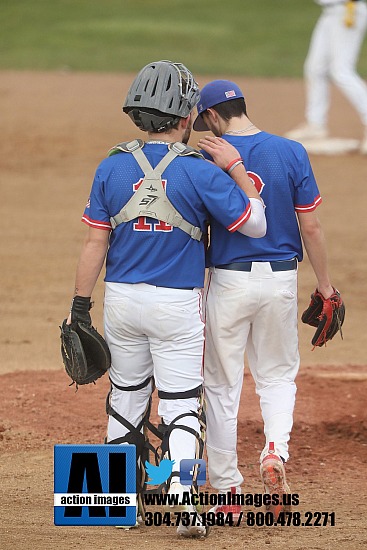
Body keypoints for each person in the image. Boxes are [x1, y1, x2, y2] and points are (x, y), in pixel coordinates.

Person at [65, 62, 266, 537]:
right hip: (176, 306)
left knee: (126, 397)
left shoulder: (111, 165)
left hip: (120, 303)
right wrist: (235, 171)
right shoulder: (200, 171)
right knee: (180, 405)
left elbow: (95, 243)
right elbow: (254, 223)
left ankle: (111, 505)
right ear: (183, 118)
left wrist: (79, 306)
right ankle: (187, 507)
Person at [194, 79, 339, 519]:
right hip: (279, 281)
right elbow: (310, 227)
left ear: (214, 117)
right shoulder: (292, 151)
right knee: (277, 377)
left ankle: (226, 492)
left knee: (221, 385)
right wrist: (326, 286)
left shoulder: (207, 155)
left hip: (228, 281)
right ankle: (274, 452)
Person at [285, 0, 367, 154]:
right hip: (330, 13)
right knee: (315, 69)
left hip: (348, 9)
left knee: (342, 71)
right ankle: (316, 124)